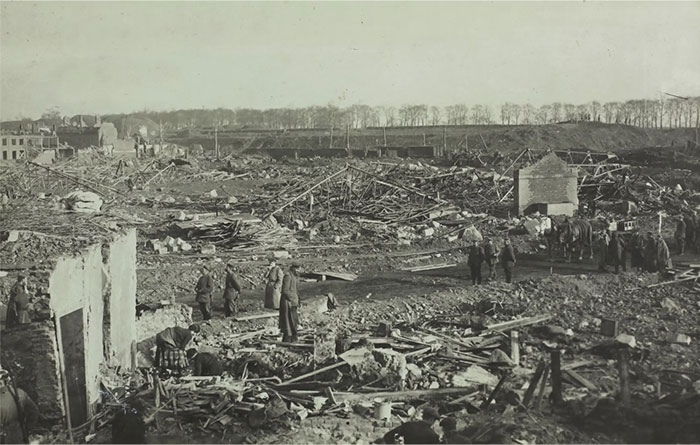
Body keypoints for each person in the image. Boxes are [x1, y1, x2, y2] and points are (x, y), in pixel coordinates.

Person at [0, 367, 39, 444]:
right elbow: (34, 412)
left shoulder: (19, 394)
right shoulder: (20, 393)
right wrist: (26, 430)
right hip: (18, 435)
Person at [279, 263, 301, 343]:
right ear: (293, 268)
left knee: (294, 321)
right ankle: (287, 340)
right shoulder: (288, 276)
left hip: (293, 302)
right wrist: (293, 299)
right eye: (297, 269)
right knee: (288, 322)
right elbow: (285, 291)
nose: (299, 271)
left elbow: (295, 290)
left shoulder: (294, 276)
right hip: (287, 302)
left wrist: (298, 300)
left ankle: (292, 339)